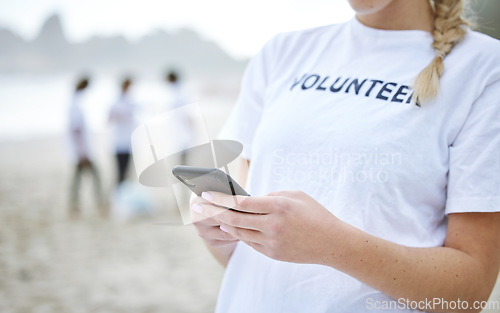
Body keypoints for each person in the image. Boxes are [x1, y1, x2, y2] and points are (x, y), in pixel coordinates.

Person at [190, 0, 500, 312]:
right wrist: (222, 230)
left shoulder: (485, 68)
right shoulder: (283, 51)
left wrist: (332, 245)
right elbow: (242, 260)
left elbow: (470, 294)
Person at [68, 76, 104, 218]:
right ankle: (98, 203)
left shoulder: (75, 102)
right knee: (94, 176)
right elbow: (76, 130)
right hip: (82, 151)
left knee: (78, 178)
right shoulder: (75, 105)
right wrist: (82, 152)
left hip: (81, 150)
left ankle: (75, 205)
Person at [108, 77, 137, 184]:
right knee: (120, 171)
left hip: (127, 141)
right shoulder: (116, 102)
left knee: (127, 171)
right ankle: (119, 194)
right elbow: (109, 119)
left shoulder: (129, 101)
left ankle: (123, 193)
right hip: (119, 142)